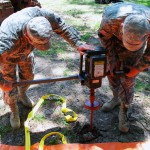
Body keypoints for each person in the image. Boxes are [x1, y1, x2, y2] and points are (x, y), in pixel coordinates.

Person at [0, 6, 94, 129]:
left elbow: (62, 26)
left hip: (26, 52)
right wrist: (2, 82)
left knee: (28, 76)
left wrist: (78, 43)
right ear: (28, 38)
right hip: (7, 58)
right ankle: (13, 110)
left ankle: (22, 94)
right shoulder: (5, 41)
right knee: (9, 86)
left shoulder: (41, 15)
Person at [98, 2, 150, 132]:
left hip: (135, 52)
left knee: (128, 78)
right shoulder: (110, 21)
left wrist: (138, 68)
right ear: (121, 26)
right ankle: (115, 98)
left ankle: (124, 109)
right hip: (114, 42)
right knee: (112, 72)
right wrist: (112, 60)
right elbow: (104, 40)